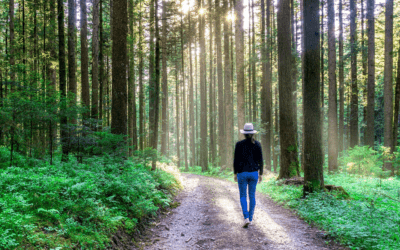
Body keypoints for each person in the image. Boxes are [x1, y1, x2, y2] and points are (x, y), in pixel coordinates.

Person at [234, 123, 263, 228]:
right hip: (254, 173)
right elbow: (261, 161)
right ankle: (250, 219)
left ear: (244, 134)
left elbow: (235, 161)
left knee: (242, 195)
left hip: (242, 173)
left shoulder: (239, 144)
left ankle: (246, 217)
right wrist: (261, 174)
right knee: (252, 196)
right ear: (252, 133)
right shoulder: (257, 144)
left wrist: (235, 173)